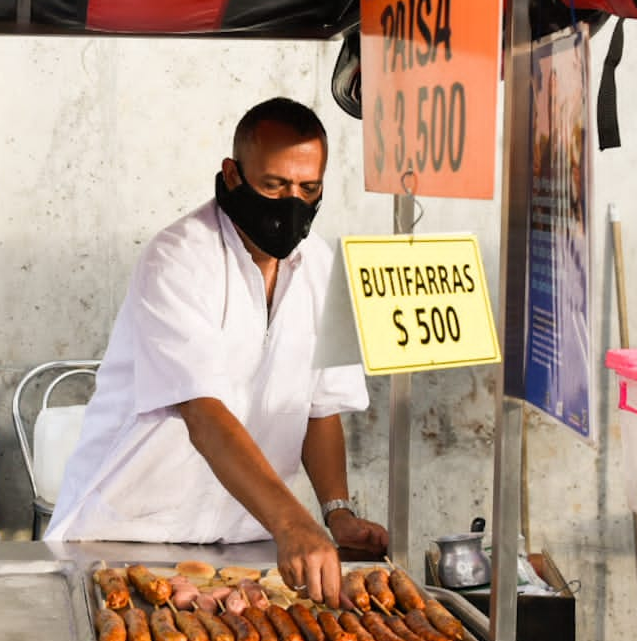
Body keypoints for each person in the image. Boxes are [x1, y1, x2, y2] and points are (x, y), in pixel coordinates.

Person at [45, 97, 387, 606]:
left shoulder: (324, 265)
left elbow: (321, 408)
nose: (291, 202)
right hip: (127, 538)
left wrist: (336, 513)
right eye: (273, 185)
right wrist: (293, 520)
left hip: (247, 543)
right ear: (232, 174)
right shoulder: (179, 258)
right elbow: (203, 413)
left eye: (308, 188)